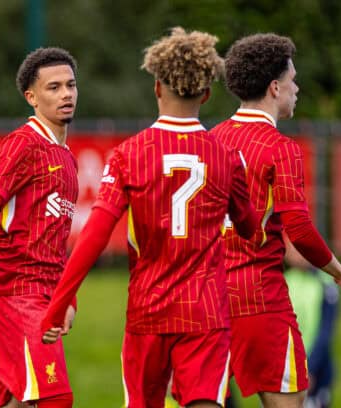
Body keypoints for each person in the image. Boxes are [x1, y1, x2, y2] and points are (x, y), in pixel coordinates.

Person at [40, 27, 258, 408]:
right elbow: (249, 227)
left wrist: (59, 303)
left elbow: (94, 235)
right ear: (206, 94)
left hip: (148, 310)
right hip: (205, 311)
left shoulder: (129, 155)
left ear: (157, 87)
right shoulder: (227, 157)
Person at [210, 33, 341, 408]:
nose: (297, 88)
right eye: (293, 80)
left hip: (210, 298)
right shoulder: (282, 149)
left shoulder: (211, 139)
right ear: (275, 87)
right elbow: (298, 227)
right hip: (260, 299)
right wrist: (340, 273)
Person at [0, 47, 79, 408]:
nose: (66, 94)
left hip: (45, 292)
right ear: (32, 97)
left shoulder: (66, 156)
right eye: (53, 87)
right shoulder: (22, 144)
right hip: (17, 291)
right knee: (55, 397)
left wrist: (67, 298)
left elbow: (56, 239)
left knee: (19, 400)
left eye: (70, 85)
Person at [284, 239, 339, 408]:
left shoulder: (326, 283)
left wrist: (312, 368)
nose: (293, 252)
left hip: (315, 367)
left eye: (298, 247)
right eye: (290, 248)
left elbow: (326, 330)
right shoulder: (283, 280)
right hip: (285, 366)